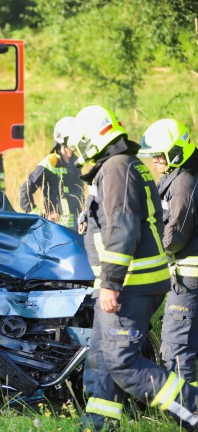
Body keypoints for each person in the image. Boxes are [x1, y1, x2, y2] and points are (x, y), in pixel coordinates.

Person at [68, 105, 198, 431]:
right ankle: (99, 426)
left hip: (130, 285)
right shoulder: (120, 166)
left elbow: (124, 226)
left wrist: (111, 283)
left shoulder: (116, 167)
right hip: (123, 283)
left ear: (89, 139)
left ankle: (193, 410)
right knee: (100, 362)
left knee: (121, 362)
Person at [139, 119, 198, 384]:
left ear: (175, 152)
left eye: (159, 156)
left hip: (188, 283)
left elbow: (176, 236)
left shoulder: (184, 183)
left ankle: (186, 412)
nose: (155, 162)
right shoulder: (183, 176)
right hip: (186, 282)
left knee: (176, 349)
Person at [19, 116, 84, 228]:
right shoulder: (49, 163)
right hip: (55, 230)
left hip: (75, 229)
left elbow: (80, 196)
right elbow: (25, 192)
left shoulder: (77, 163)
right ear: (62, 139)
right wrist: (38, 218)